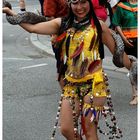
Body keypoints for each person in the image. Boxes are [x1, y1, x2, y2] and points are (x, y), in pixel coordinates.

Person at [3, 0, 132, 139]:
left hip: (95, 86)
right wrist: (11, 14)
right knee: (67, 129)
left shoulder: (99, 26)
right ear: (69, 4)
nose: (79, 7)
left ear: (90, 3)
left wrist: (133, 67)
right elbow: (33, 28)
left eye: (83, 2)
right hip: (71, 85)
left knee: (89, 131)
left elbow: (117, 52)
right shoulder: (62, 24)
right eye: (75, 3)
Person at [112, 0, 137, 105]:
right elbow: (117, 24)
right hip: (130, 41)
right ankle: (135, 94)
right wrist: (124, 39)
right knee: (133, 68)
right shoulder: (122, 6)